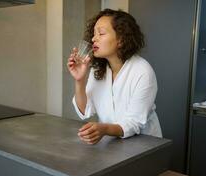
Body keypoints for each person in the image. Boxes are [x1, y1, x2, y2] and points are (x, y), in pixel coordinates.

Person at [67, 9, 162, 145]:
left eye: (101, 33)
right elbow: (85, 110)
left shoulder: (142, 71)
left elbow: (133, 123)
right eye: (94, 34)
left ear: (121, 40)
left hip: (143, 145)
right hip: (111, 144)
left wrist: (104, 129)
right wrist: (79, 80)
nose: (94, 38)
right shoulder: (99, 70)